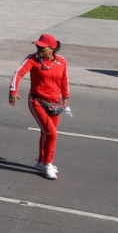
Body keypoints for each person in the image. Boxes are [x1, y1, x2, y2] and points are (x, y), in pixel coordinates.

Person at [9, 34, 70, 179]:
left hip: (55, 103)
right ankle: (48, 164)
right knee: (52, 133)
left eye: (42, 47)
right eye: (38, 46)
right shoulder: (32, 59)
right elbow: (18, 74)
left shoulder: (61, 61)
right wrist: (13, 91)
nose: (39, 48)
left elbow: (64, 79)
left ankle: (41, 161)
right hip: (37, 101)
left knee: (46, 133)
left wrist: (66, 97)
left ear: (52, 48)